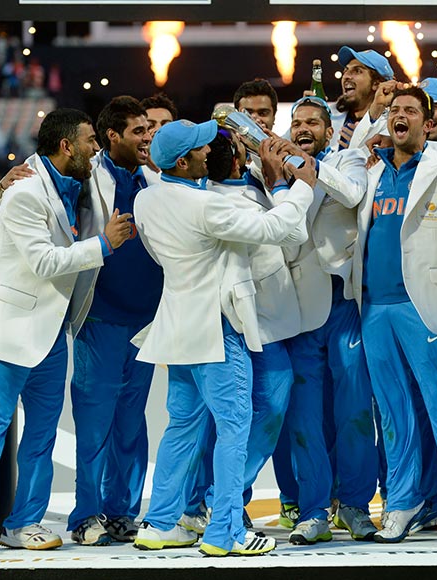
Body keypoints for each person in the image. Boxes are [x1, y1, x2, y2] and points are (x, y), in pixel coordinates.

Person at [0, 108, 133, 555]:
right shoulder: (25, 192)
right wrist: (105, 243)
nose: (96, 149)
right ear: (66, 146)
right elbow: (44, 262)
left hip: (52, 333)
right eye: (90, 141)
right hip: (10, 331)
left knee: (42, 436)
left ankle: (23, 522)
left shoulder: (76, 184)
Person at [130, 119, 315, 557]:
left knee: (181, 427)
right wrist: (301, 188)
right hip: (216, 329)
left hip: (177, 326)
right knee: (234, 428)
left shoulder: (145, 198)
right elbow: (278, 230)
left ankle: (159, 524)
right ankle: (225, 532)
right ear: (182, 161)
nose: (207, 152)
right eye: (199, 148)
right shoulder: (207, 206)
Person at [353, 86, 437, 545]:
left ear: (429, 124)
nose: (400, 115)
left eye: (410, 110)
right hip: (374, 307)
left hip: (424, 304)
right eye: (395, 110)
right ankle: (403, 500)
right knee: (392, 413)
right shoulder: (372, 171)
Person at [272, 96, 379, 545]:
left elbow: (352, 195)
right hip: (297, 307)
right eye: (296, 122)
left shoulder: (348, 160)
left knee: (354, 410)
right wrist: (280, 174)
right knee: (305, 417)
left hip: (343, 304)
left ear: (329, 131)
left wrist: (305, 166)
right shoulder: (271, 169)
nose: (302, 128)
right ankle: (313, 510)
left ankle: (354, 505)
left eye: (312, 122)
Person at [66, 95, 161, 546]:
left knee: (130, 423)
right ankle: (86, 515)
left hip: (146, 321)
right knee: (94, 423)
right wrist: (4, 185)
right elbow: (40, 177)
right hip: (101, 317)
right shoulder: (87, 175)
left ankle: (122, 511)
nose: (147, 138)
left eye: (149, 130)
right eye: (138, 131)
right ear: (112, 136)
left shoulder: (155, 176)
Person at [332, 46, 395, 151]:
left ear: (376, 84)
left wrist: (358, 143)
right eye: (346, 70)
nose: (346, 76)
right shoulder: (330, 115)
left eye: (357, 71)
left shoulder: (392, 124)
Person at [141, 93, 178, 172]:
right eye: (150, 126)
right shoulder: (129, 171)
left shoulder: (190, 169)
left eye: (166, 125)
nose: (158, 129)